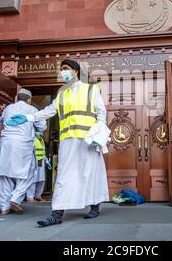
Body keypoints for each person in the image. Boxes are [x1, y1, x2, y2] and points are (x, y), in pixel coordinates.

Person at [8, 59, 109, 226]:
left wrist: (98, 135)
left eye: (66, 69)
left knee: (90, 173)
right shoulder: (62, 93)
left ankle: (94, 207)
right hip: (68, 140)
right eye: (61, 69)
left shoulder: (91, 89)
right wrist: (28, 117)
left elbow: (101, 114)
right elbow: (49, 111)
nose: (63, 72)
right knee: (63, 176)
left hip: (88, 140)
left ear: (76, 71)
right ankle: (57, 214)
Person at [0, 88, 46, 214]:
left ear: (17, 98)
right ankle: (15, 198)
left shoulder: (8, 108)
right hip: (23, 144)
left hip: (6, 143)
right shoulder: (32, 110)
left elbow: (2, 122)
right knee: (29, 172)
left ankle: (4, 207)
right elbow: (42, 126)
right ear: (29, 100)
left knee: (4, 174)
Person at [26, 129, 51, 202]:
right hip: (35, 161)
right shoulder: (33, 139)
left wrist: (46, 161)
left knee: (41, 180)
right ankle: (30, 197)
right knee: (33, 180)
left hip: (41, 162)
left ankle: (38, 195)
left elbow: (43, 151)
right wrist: (39, 160)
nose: (42, 132)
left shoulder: (41, 140)